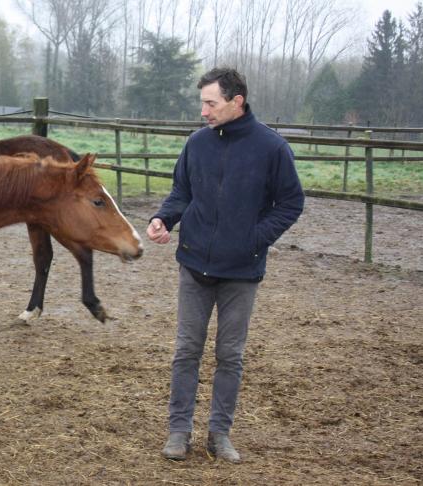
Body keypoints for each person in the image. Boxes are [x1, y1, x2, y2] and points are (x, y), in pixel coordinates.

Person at [147, 68, 304, 463]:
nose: (203, 111)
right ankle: (178, 431)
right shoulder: (197, 144)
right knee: (186, 351)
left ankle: (220, 434)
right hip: (194, 265)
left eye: (210, 103)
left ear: (237, 101)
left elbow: (290, 203)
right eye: (202, 102)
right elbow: (182, 190)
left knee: (230, 355)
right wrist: (164, 219)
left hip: (241, 272)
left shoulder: (272, 148)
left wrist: (253, 239)